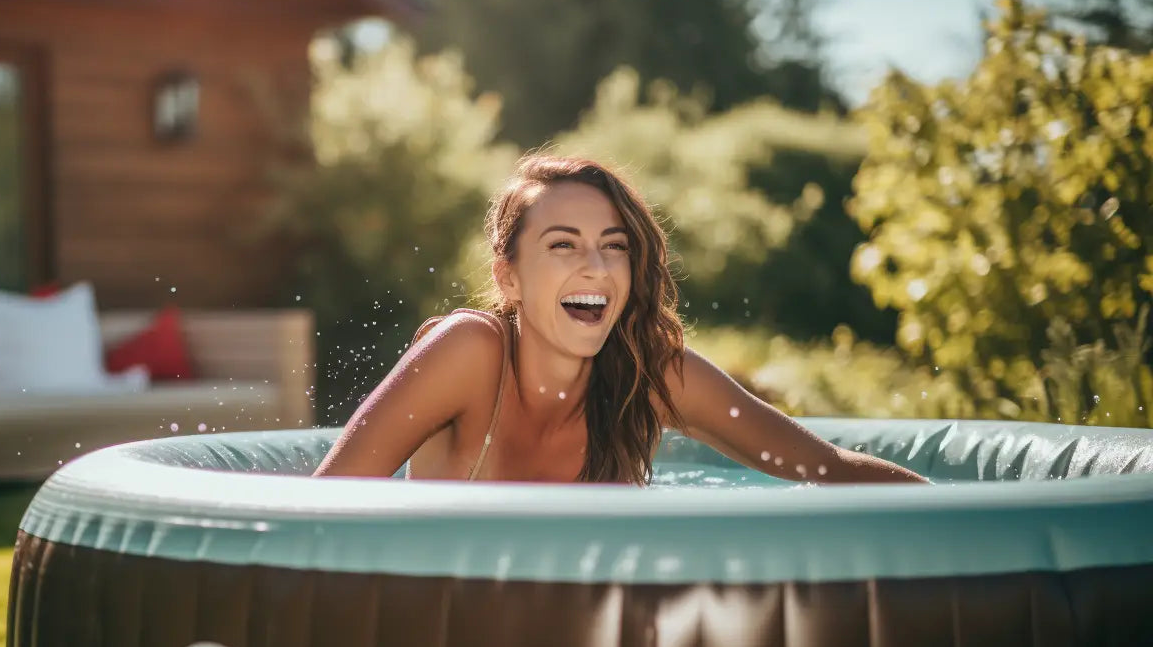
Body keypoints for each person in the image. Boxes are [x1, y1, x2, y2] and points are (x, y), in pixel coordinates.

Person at [312, 155, 928, 486]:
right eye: (562, 245)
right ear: (508, 277)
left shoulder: (648, 371)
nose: (597, 267)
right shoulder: (469, 354)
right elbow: (325, 501)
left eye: (614, 245)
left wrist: (972, 522)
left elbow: (826, 470)